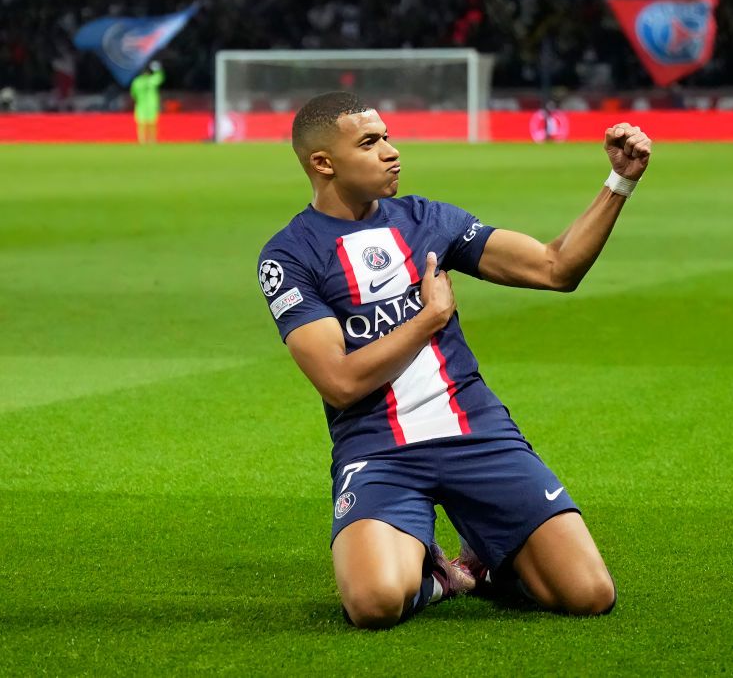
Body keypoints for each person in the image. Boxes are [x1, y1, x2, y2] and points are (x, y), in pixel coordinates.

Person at [257, 91, 651, 629]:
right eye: (370, 143)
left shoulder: (429, 220)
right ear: (322, 163)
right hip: (379, 448)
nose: (391, 151)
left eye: (388, 137)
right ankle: (436, 573)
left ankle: (486, 560)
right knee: (373, 604)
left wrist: (619, 182)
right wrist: (426, 320)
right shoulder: (290, 255)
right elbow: (340, 383)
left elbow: (555, 268)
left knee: (588, 594)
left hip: (476, 434)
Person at [130, 61, 164, 143]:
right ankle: (152, 140)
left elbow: (133, 93)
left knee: (142, 123)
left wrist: (136, 100)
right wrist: (158, 69)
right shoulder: (151, 80)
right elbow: (160, 77)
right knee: (151, 123)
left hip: (141, 104)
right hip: (151, 104)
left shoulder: (137, 82)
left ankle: (141, 140)